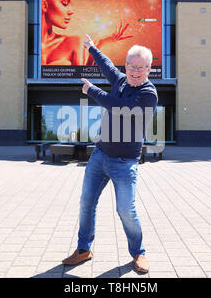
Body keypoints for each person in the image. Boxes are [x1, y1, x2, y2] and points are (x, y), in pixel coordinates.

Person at [61, 34, 158, 273]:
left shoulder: (148, 94)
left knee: (126, 210)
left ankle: (139, 253)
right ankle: (84, 249)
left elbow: (118, 107)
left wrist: (91, 90)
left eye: (141, 68)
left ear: (149, 69)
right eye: (131, 66)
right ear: (127, 66)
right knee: (86, 202)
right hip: (100, 155)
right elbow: (107, 66)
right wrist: (92, 47)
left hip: (125, 163)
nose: (135, 71)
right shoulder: (122, 80)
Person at [41, 0, 132, 65]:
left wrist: (102, 43)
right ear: (44, 5)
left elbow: (85, 75)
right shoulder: (30, 41)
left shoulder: (73, 42)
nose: (71, 11)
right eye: (64, 3)